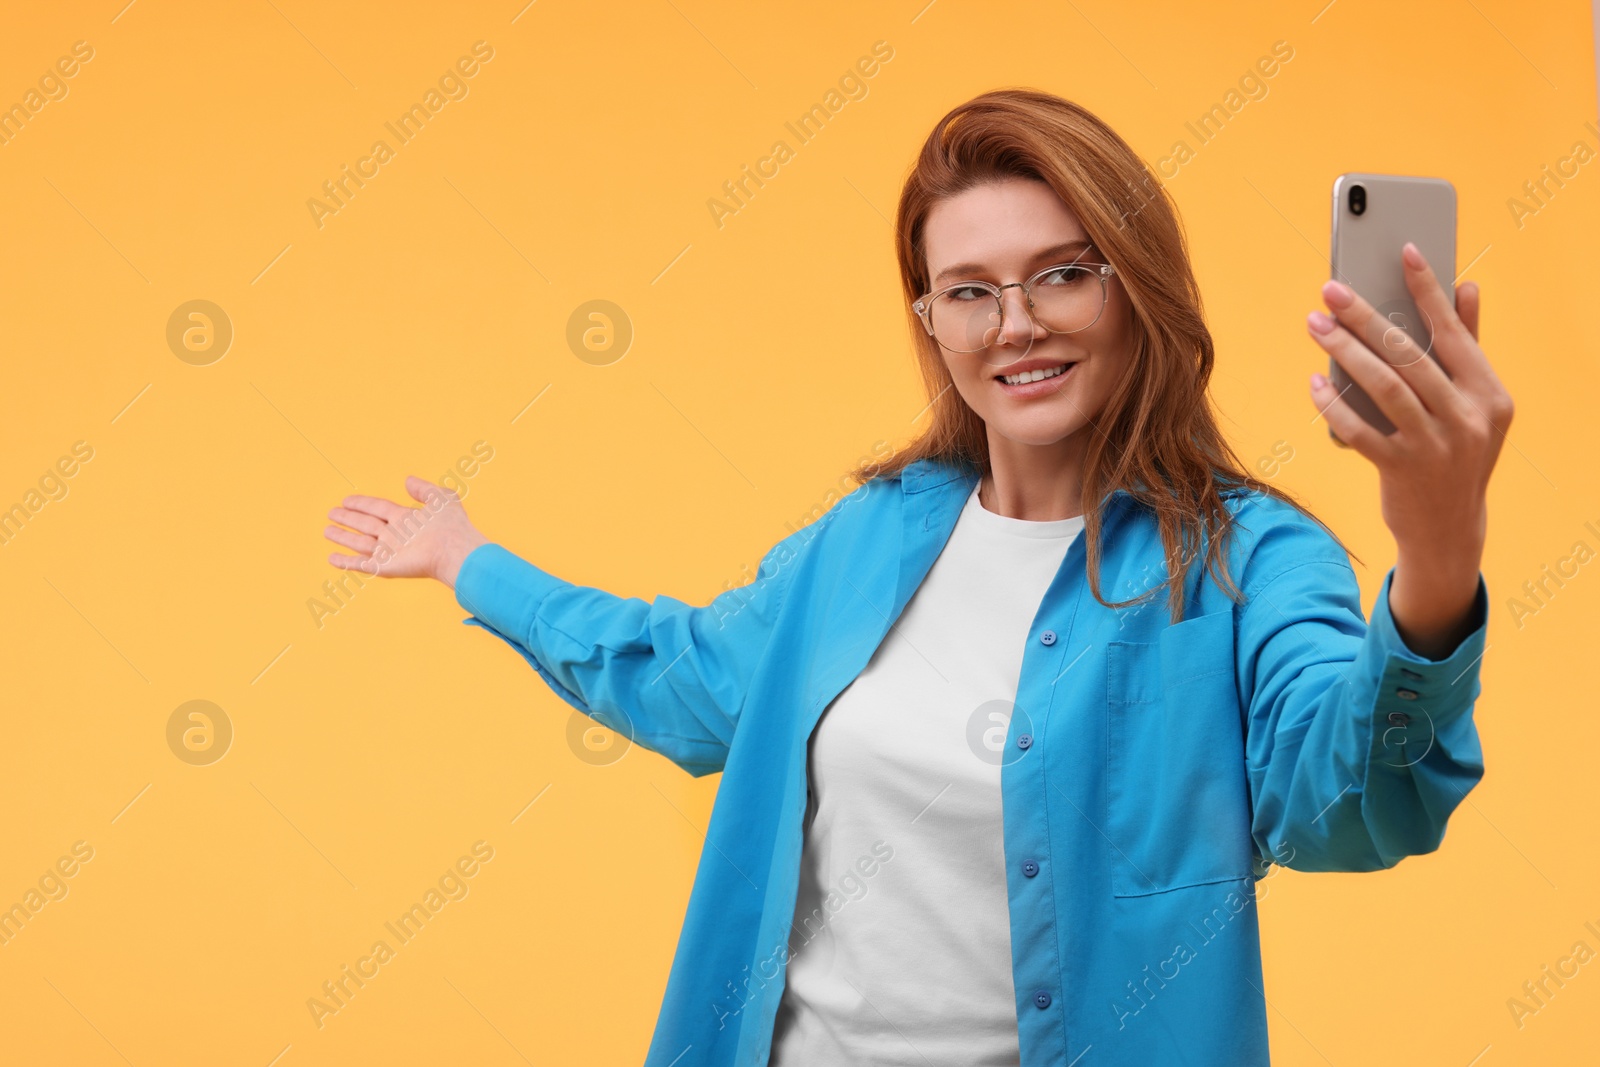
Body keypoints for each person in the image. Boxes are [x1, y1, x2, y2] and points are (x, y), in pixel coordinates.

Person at [322, 89, 1511, 1066]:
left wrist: (1438, 545)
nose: (1015, 325)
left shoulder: (1248, 559)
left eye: (1062, 273)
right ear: (931, 319)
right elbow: (689, 682)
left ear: (1134, 286)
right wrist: (471, 561)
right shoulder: (869, 534)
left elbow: (1354, 804)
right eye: (970, 291)